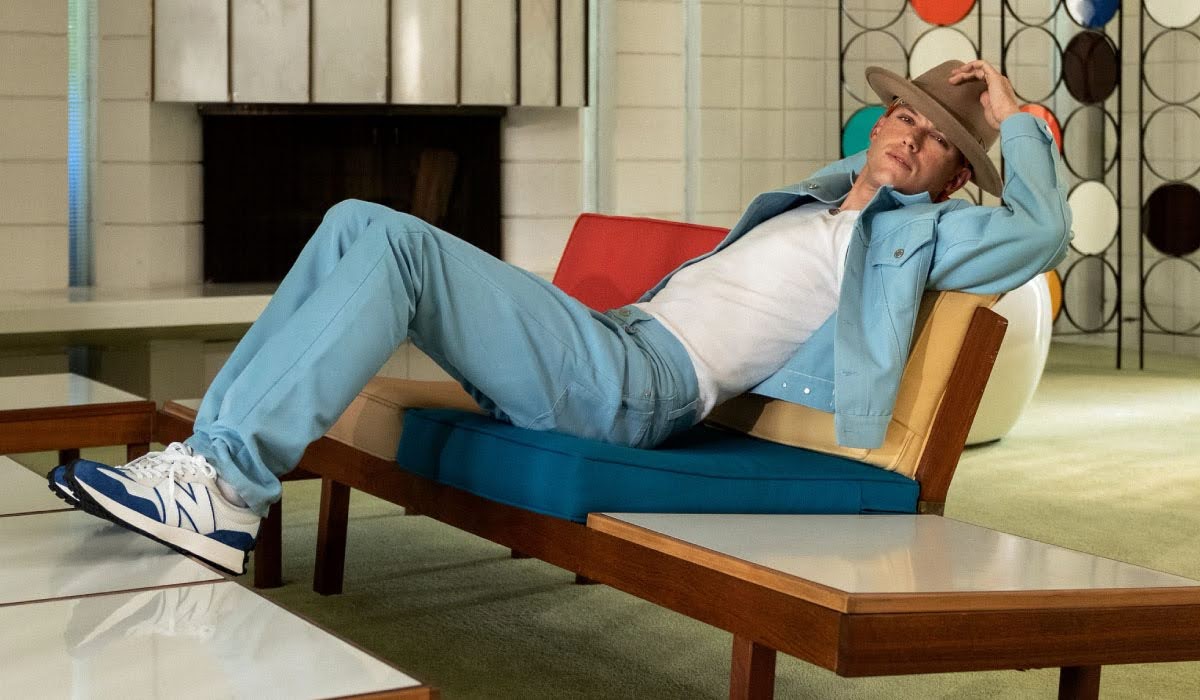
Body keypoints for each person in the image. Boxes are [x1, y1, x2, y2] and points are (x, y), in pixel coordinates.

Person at [48, 59, 1070, 575]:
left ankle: (228, 487)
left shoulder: (919, 237)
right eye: (906, 117)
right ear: (880, 122)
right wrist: (918, 129)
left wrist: (1014, 118)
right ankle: (207, 462)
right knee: (357, 217)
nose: (911, 139)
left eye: (938, 141)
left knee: (397, 244)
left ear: (953, 177)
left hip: (643, 388)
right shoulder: (819, 200)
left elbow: (1040, 230)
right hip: (618, 344)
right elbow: (869, 165)